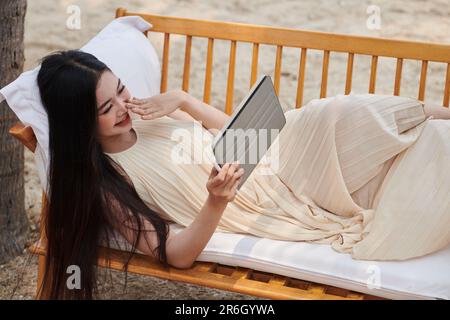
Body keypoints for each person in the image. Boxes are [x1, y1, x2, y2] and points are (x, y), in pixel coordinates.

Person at [37, 49, 450, 299]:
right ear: (79, 124)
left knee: (342, 113)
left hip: (277, 155)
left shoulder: (151, 117)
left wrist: (184, 101)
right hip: (266, 197)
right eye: (107, 108)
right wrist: (216, 200)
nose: (125, 106)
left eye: (121, 90)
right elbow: (176, 255)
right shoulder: (107, 183)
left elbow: (239, 134)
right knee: (411, 142)